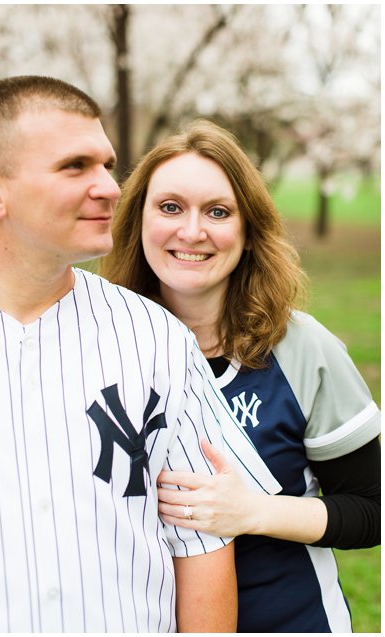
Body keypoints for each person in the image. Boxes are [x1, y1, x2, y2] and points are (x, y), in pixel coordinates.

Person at [0, 75, 281, 633]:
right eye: (75, 166)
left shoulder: (158, 337)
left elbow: (202, 538)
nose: (110, 187)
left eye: (107, 165)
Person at [102, 119, 381, 632]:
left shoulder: (302, 349)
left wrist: (253, 512)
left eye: (218, 211)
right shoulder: (99, 345)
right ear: (137, 222)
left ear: (248, 231)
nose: (191, 231)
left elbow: (372, 509)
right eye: (169, 207)